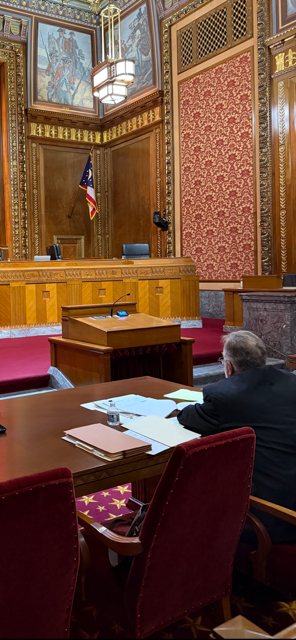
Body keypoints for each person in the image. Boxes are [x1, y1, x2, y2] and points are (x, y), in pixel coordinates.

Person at [177, 330, 296, 543]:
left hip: (272, 516)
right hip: (290, 493)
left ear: (229, 367)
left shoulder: (223, 395)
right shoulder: (291, 382)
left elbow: (188, 416)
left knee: (193, 494)